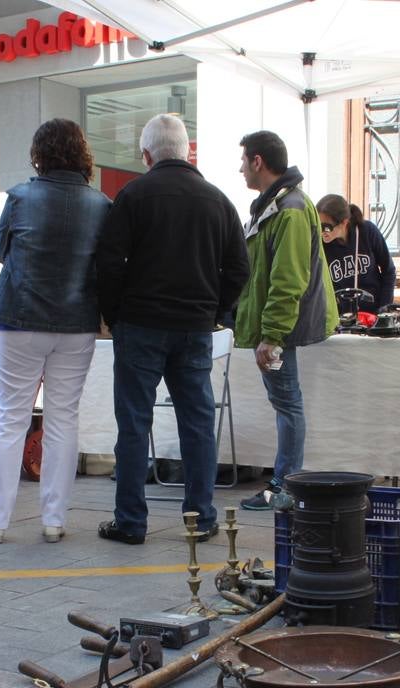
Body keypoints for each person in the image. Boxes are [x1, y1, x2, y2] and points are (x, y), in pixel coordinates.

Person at [94, 114, 249, 545]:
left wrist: (115, 313)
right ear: (187, 150)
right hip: (194, 328)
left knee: (133, 423)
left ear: (147, 155)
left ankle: (130, 521)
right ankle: (200, 519)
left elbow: (108, 263)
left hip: (140, 326)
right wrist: (215, 309)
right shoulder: (218, 201)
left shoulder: (132, 195)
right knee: (197, 424)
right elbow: (239, 268)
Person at [0, 118, 110, 544]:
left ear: (39, 153)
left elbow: (5, 250)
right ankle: (54, 520)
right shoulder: (102, 205)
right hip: (77, 323)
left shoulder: (19, 196)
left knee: (10, 418)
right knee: (63, 419)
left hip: (20, 318)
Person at [234, 131, 338, 512]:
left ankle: (285, 487)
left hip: (281, 328)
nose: (240, 168)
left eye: (244, 160)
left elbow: (288, 278)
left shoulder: (289, 208)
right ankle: (285, 483)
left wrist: (272, 335)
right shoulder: (276, 204)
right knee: (286, 403)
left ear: (258, 161)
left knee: (288, 404)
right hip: (278, 326)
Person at [317, 194, 394, 314]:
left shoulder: (367, 231)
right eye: (319, 226)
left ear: (344, 222)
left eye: (326, 227)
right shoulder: (319, 243)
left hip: (373, 313)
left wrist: (385, 309)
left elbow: (388, 271)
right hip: (338, 316)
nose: (322, 232)